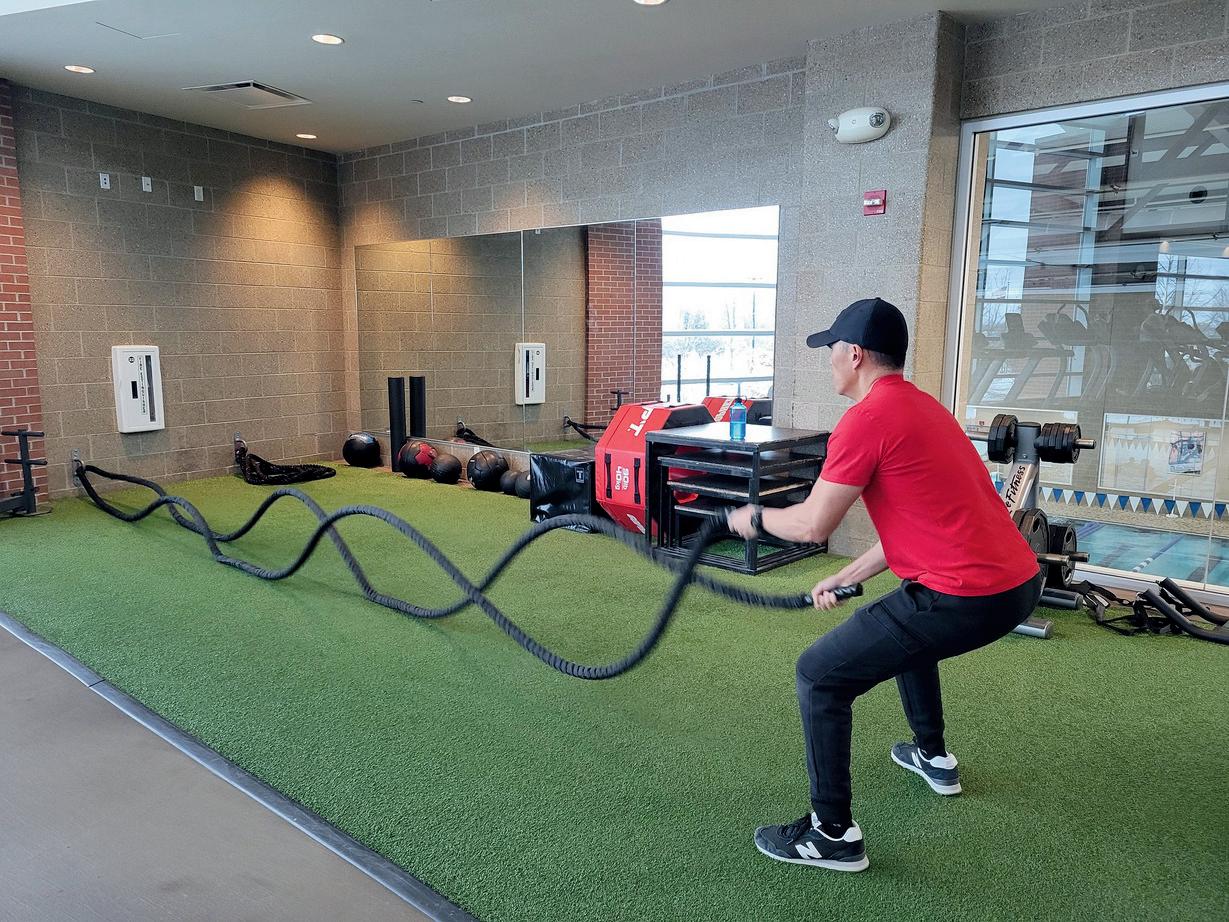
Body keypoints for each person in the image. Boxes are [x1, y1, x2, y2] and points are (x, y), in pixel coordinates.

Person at [727, 297, 1042, 873]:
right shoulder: (925, 408)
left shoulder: (867, 420)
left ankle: (832, 835)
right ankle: (933, 757)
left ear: (855, 354)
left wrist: (754, 517)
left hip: (965, 594)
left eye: (831, 350)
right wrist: (846, 575)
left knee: (819, 676)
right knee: (906, 633)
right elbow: (925, 524)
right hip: (1016, 586)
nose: (828, 360)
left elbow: (812, 524)